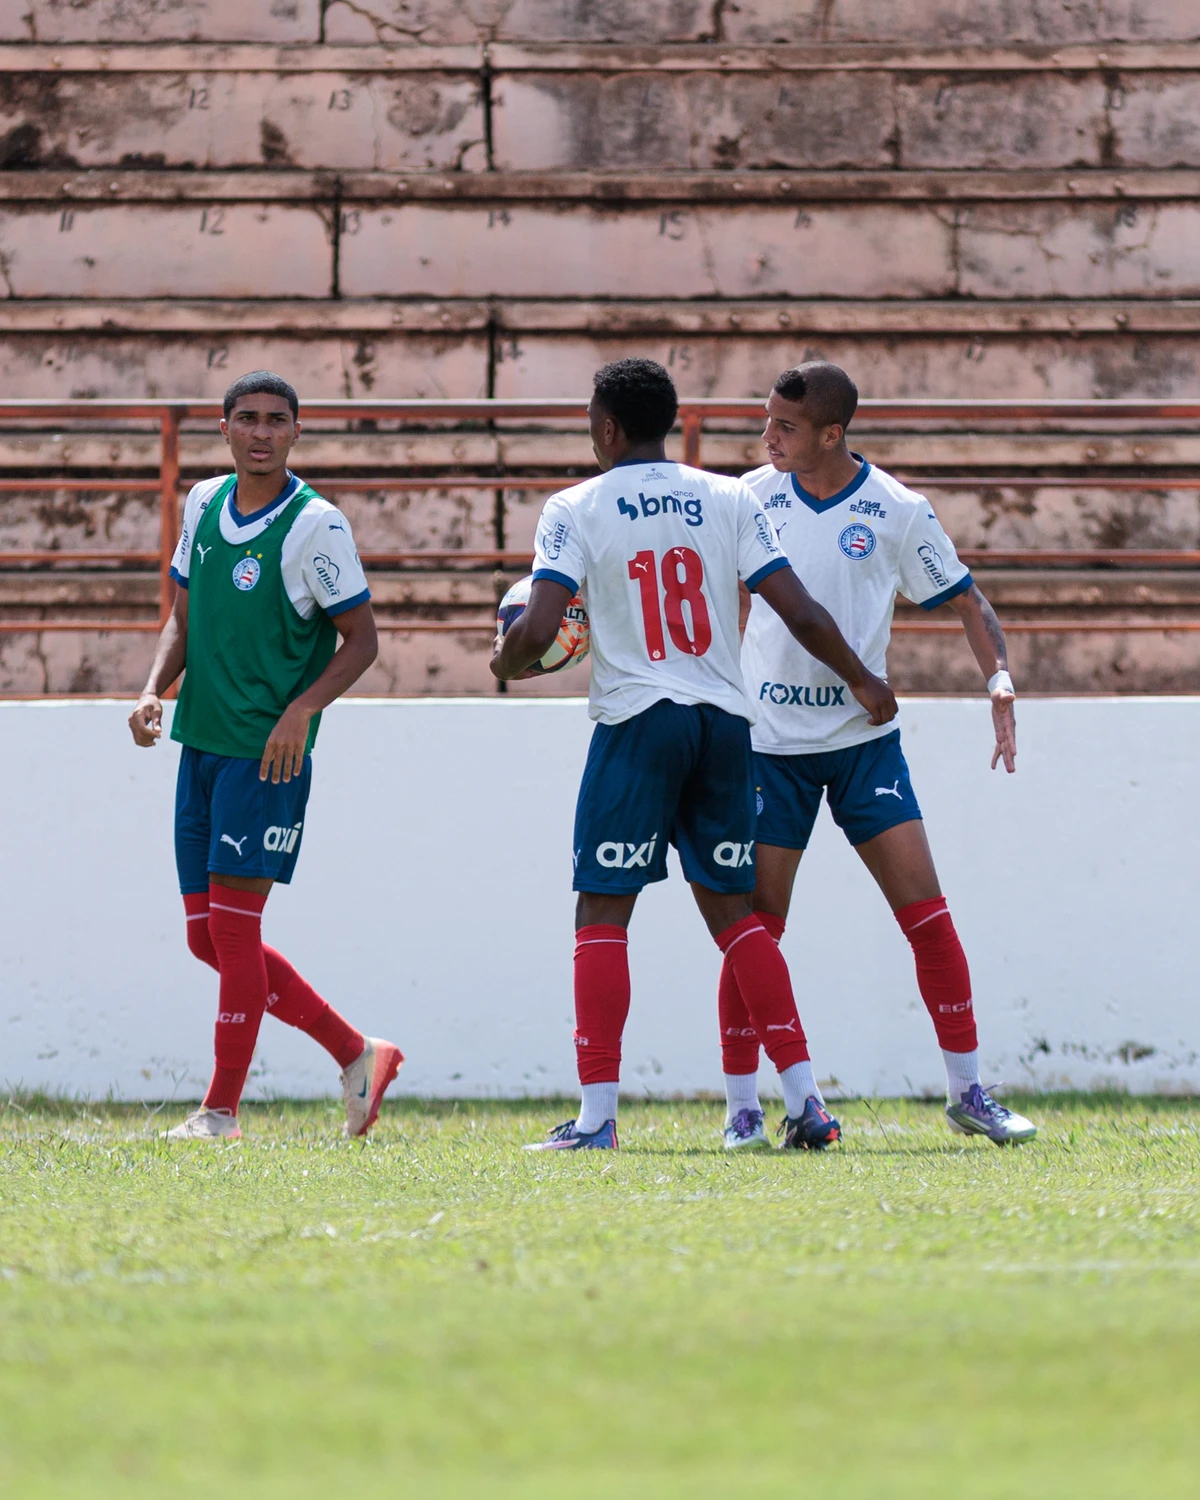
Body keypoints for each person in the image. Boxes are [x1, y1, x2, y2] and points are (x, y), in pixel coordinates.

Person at [491, 358, 897, 1151]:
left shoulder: (573, 505)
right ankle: (807, 1103)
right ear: (666, 421)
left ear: (607, 427)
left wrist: (505, 662)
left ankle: (598, 1120)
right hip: (722, 721)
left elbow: (538, 631)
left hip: (638, 722)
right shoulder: (730, 495)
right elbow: (800, 610)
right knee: (736, 917)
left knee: (602, 911)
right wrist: (864, 681)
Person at [717, 360, 1036, 1149]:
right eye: (767, 421)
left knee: (928, 917)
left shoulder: (896, 510)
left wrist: (997, 680)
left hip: (865, 747)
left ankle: (968, 1093)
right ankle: (743, 1109)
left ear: (832, 433)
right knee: (758, 929)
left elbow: (966, 599)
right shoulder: (747, 499)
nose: (767, 438)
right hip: (770, 748)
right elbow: (726, 598)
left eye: (784, 427)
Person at [128, 371, 403, 1141]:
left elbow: (364, 640)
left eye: (275, 421)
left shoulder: (317, 526)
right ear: (224, 427)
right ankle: (357, 1054)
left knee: (237, 933)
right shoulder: (204, 503)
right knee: (203, 936)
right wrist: (153, 689)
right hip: (201, 749)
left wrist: (302, 712)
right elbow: (181, 617)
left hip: (265, 758)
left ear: (295, 432)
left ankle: (220, 1111)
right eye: (245, 419)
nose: (259, 432)